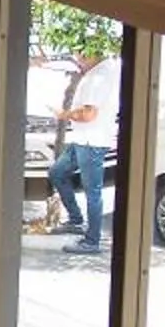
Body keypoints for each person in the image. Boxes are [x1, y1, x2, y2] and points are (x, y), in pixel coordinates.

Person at [49, 42, 122, 253]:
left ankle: (92, 241)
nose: (78, 61)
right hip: (82, 140)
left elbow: (89, 114)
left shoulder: (100, 76)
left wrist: (65, 115)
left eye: (80, 56)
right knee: (57, 173)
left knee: (93, 192)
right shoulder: (99, 71)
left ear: (91, 53)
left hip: (91, 142)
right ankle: (76, 220)